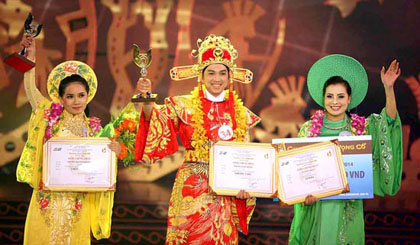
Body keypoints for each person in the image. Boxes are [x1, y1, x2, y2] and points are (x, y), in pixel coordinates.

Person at [113, 34, 260, 244]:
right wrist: (146, 101)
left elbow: (246, 157)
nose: (216, 79)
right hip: (192, 186)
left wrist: (247, 185)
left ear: (230, 77)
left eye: (222, 73)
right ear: (201, 75)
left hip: (226, 188)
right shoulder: (184, 106)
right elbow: (157, 123)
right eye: (211, 73)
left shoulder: (241, 114)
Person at [17, 34, 120, 244]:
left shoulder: (94, 128)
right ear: (60, 97)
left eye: (81, 95)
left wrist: (114, 151)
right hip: (47, 198)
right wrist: (32, 57)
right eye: (70, 96)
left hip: (76, 201)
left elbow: (101, 165)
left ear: (88, 96)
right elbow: (30, 89)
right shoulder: (48, 115)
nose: (76, 101)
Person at [288, 54, 402, 244]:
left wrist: (388, 88)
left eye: (341, 96)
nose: (335, 101)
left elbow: (388, 122)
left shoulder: (361, 128)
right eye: (330, 96)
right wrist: (303, 195)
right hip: (317, 206)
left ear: (349, 99)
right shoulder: (308, 129)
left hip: (347, 207)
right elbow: (298, 171)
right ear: (323, 99)